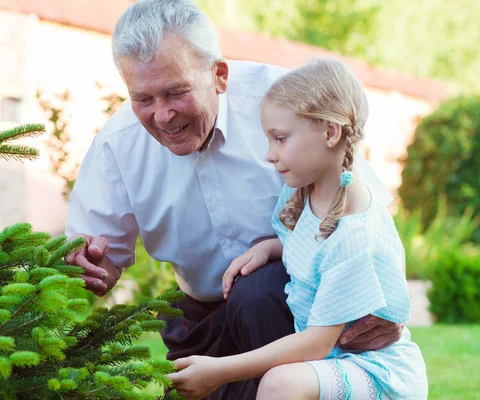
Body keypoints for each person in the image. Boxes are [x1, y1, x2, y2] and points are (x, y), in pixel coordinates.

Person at [64, 1, 404, 399]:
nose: (162, 115)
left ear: (218, 75)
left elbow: (367, 214)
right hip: (200, 322)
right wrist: (92, 266)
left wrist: (386, 309)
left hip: (293, 309)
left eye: (176, 91)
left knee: (258, 291)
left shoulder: (292, 106)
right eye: (143, 99)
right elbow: (101, 266)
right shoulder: (116, 146)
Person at [166, 58, 428, 400]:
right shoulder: (307, 189)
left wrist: (220, 370)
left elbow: (318, 342)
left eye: (280, 139)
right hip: (336, 359)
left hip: (375, 371)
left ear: (330, 133)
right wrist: (271, 247)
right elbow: (313, 248)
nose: (270, 155)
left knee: (280, 383)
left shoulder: (356, 236)